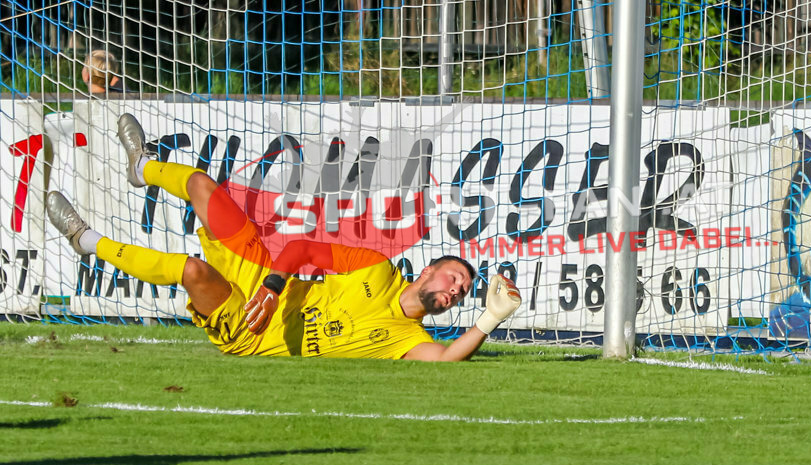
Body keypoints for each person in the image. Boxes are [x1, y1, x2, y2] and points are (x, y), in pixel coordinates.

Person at [46, 114, 521, 361]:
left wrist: (489, 318)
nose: (456, 290)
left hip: (252, 332)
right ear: (429, 270)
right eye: (455, 277)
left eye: (460, 293)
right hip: (261, 277)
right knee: (200, 185)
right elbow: (299, 249)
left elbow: (443, 359)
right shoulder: (375, 268)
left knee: (191, 270)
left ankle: (85, 239)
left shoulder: (403, 339)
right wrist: (273, 288)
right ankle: (142, 166)